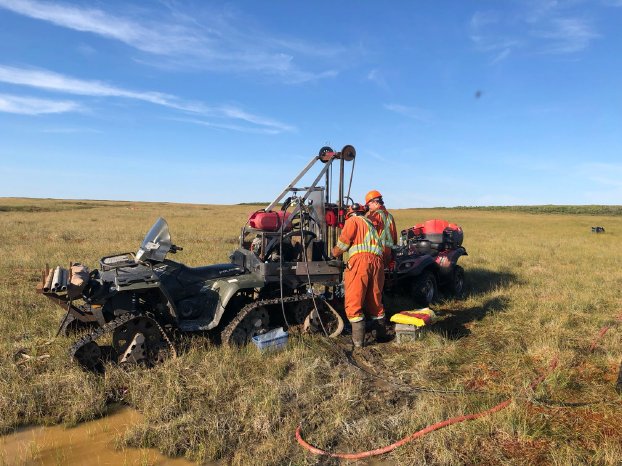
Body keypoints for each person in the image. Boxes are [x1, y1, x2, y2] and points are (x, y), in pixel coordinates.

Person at [331, 203, 387, 348]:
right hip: (377, 263)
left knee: (354, 300)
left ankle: (358, 342)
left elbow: (343, 243)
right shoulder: (371, 225)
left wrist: (333, 253)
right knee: (374, 299)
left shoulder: (353, 221)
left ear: (351, 213)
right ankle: (381, 335)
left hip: (361, 262)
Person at [365, 190, 397, 268]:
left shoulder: (373, 216)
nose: (368, 208)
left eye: (369, 204)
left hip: (375, 254)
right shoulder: (390, 216)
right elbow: (394, 238)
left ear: (375, 202)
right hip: (387, 253)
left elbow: (367, 235)